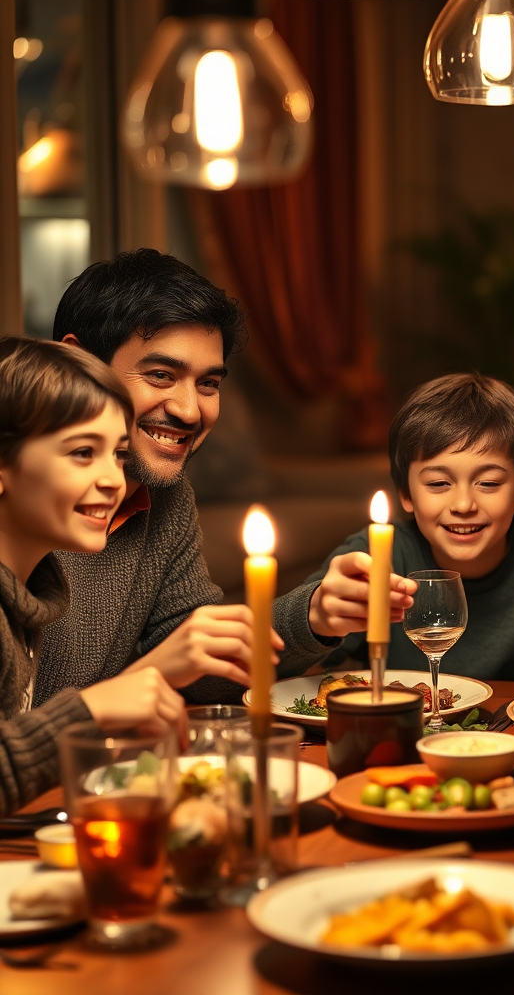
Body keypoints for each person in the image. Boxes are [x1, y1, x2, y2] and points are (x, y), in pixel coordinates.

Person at [35, 250, 327, 707]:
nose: (190, 411)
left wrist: (313, 617)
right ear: (75, 362)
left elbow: (196, 665)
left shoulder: (164, 496)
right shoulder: (17, 503)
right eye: (160, 375)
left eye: (208, 384)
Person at [284, 373, 514, 682]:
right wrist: (316, 619)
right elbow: (278, 659)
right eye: (438, 483)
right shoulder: (375, 555)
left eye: (488, 483)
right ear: (406, 494)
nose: (463, 505)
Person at [0, 337, 186, 815]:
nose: (113, 479)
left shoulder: (26, 598)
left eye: (118, 454)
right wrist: (90, 711)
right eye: (83, 452)